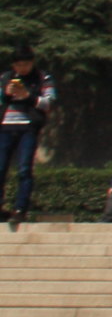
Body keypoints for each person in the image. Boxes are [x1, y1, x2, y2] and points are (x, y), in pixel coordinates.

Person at [0, 53, 53, 227]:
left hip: (28, 127)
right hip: (5, 127)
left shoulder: (42, 78)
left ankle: (20, 209)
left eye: (26, 64)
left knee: (24, 169)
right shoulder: (5, 78)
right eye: (18, 65)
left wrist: (27, 95)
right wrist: (6, 95)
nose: (22, 68)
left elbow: (49, 102)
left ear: (32, 63)